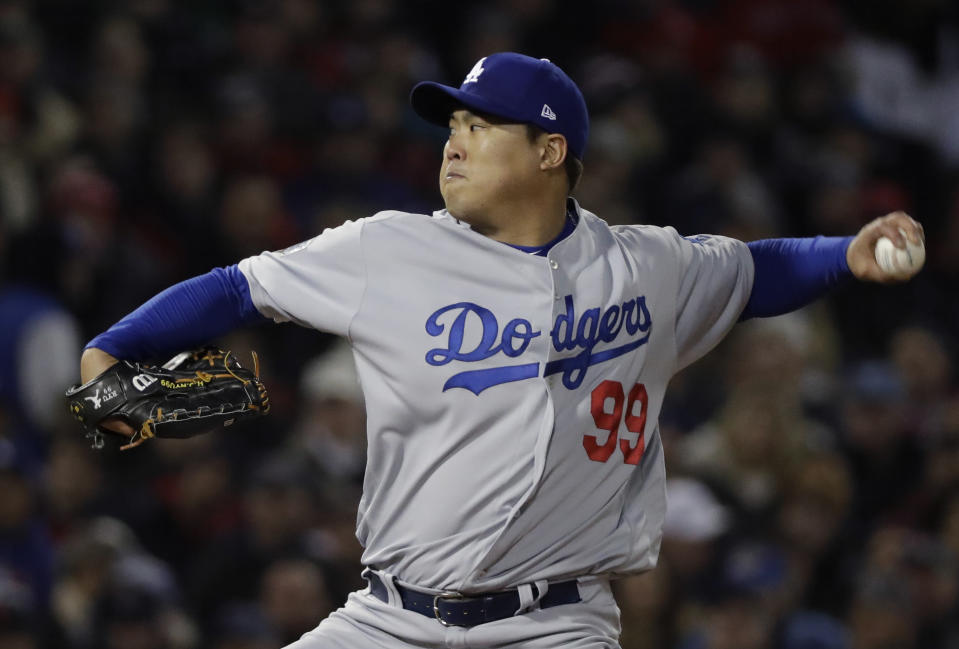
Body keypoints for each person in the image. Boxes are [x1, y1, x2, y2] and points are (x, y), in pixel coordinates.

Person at [76, 52, 924, 648]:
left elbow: (753, 269)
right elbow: (235, 287)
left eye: (482, 125)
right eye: (453, 122)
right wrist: (115, 348)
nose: (453, 139)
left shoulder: (642, 266)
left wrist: (846, 254)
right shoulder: (388, 248)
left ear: (550, 152)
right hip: (389, 618)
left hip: (553, 623)